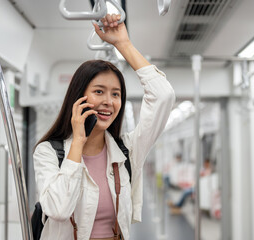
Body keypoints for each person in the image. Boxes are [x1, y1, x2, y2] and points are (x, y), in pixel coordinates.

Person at [33, 14, 175, 240]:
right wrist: (78, 142)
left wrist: (123, 44)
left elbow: (163, 96)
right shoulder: (49, 152)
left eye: (116, 94)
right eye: (99, 91)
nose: (109, 101)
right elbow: (58, 209)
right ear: (78, 98)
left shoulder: (127, 150)